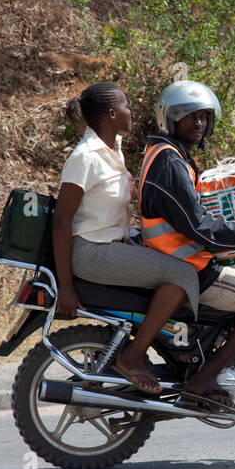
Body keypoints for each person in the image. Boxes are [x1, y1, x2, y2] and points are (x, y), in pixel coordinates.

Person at [137, 80, 235, 411]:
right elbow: (202, 228)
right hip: (190, 269)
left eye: (204, 117)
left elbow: (199, 219)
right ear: (169, 119)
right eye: (189, 116)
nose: (198, 123)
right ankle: (206, 378)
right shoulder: (169, 162)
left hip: (182, 264)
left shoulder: (169, 156)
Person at [53, 82, 197, 396]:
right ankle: (131, 358)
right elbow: (62, 221)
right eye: (126, 106)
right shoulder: (86, 157)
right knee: (183, 274)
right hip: (92, 252)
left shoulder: (113, 147)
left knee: (181, 262)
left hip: (116, 244)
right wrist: (66, 286)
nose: (131, 112)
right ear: (110, 114)